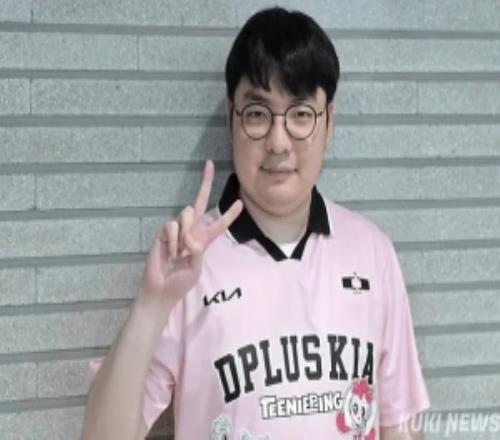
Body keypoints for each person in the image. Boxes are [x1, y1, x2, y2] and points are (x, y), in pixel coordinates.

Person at [81, 7, 429, 440]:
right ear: (232, 119)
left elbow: (400, 424)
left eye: (301, 114)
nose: (278, 143)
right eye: (258, 114)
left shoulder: (372, 253)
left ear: (329, 123)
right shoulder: (189, 265)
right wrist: (152, 306)